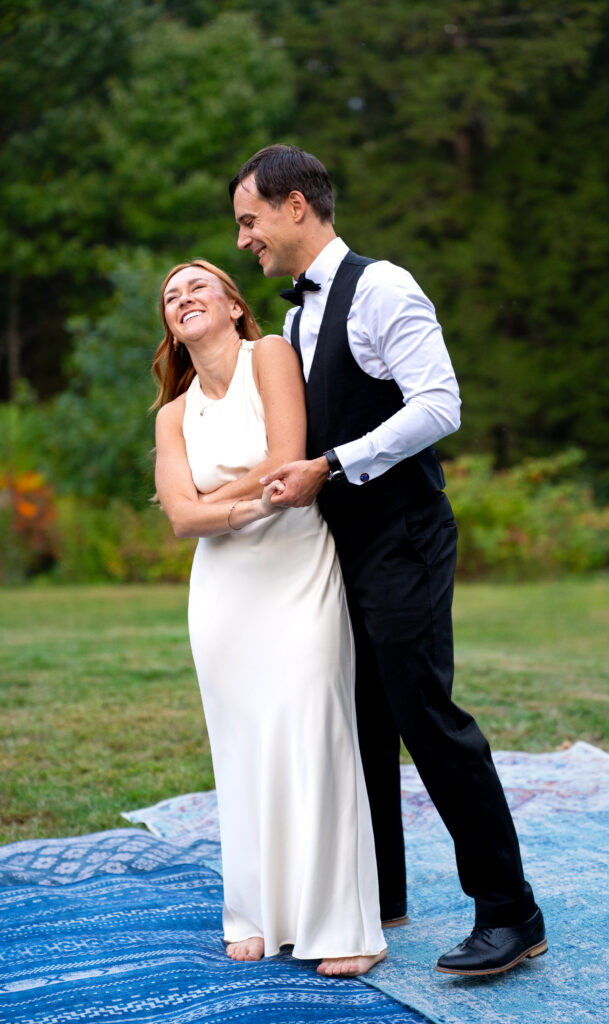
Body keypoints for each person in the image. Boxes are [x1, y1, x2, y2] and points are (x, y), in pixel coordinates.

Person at [228, 144, 547, 976]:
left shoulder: (383, 287)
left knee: (424, 716)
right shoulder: (293, 322)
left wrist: (334, 463)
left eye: (250, 220)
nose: (243, 239)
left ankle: (509, 911)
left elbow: (439, 405)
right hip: (336, 548)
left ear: (296, 206)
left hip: (403, 535)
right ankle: (376, 893)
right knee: (358, 720)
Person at [152, 258, 387, 977]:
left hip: (296, 570)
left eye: (198, 286)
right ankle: (254, 911)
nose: (183, 298)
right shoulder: (172, 415)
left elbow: (288, 460)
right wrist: (245, 505)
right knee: (242, 746)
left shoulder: (272, 356)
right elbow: (180, 520)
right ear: (171, 326)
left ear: (232, 306)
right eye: (171, 296)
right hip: (223, 593)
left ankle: (343, 925)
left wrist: (213, 505)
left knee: (314, 730)